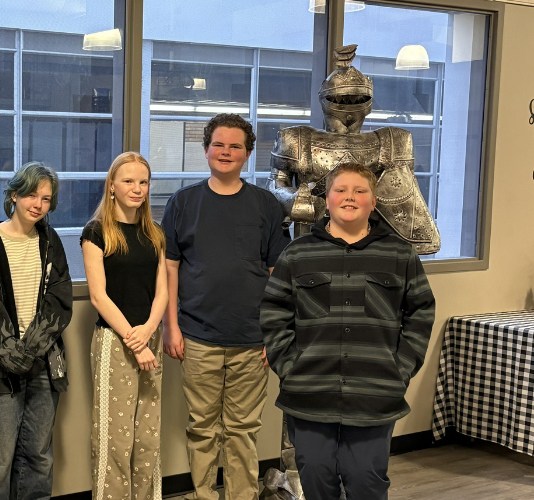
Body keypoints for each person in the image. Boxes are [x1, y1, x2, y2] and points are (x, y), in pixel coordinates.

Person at [261, 163, 436, 500]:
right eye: (340, 190)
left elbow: (420, 312)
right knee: (316, 480)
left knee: (366, 482)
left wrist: (401, 369)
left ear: (374, 201)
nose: (349, 197)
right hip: (309, 393)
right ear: (326, 200)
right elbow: (274, 313)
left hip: (375, 394)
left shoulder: (400, 255)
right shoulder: (297, 253)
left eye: (360, 191)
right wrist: (290, 366)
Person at [161, 113, 290, 500]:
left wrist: (275, 332)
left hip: (252, 340)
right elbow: (169, 268)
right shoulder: (183, 203)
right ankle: (204, 495)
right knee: (202, 427)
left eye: (235, 146)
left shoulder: (267, 207)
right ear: (205, 150)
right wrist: (171, 326)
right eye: (219, 144)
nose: (226, 152)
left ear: (247, 155)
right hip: (198, 336)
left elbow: (277, 276)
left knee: (242, 430)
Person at [0, 162, 73, 500]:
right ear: (14, 194)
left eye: (45, 198)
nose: (37, 204)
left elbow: (60, 298)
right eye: (30, 195)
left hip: (45, 363)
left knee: (38, 456)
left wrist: (30, 352)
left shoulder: (51, 240)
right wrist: (15, 357)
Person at [82, 152, 168, 500]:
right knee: (115, 439)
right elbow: (99, 297)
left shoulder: (155, 233)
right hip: (114, 342)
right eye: (129, 181)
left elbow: (162, 293)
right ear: (113, 187)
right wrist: (136, 341)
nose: (137, 188)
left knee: (147, 436)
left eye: (143, 182)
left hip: (151, 338)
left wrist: (148, 330)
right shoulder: (96, 232)